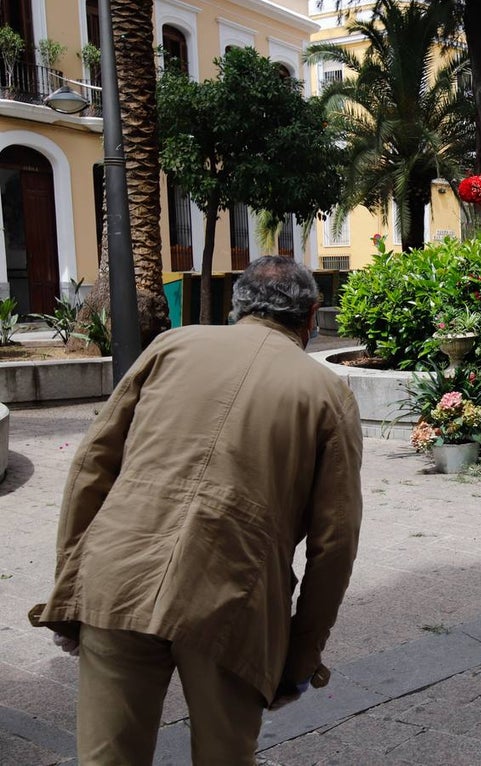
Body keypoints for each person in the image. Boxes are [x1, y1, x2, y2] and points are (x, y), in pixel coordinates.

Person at [29, 256, 364, 765]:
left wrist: (72, 590)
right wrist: (301, 655)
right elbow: (335, 541)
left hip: (118, 574)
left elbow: (92, 468)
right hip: (232, 596)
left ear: (237, 305)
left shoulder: (171, 346)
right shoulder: (327, 394)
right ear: (312, 314)